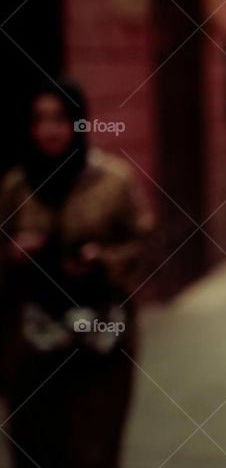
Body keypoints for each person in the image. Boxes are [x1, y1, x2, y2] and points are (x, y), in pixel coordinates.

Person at [0, 80, 153, 468]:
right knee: (36, 447)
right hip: (33, 344)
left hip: (101, 342)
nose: (49, 130)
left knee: (94, 448)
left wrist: (104, 258)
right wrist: (13, 253)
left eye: (60, 118)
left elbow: (146, 247)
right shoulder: (16, 186)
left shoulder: (113, 181)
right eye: (39, 119)